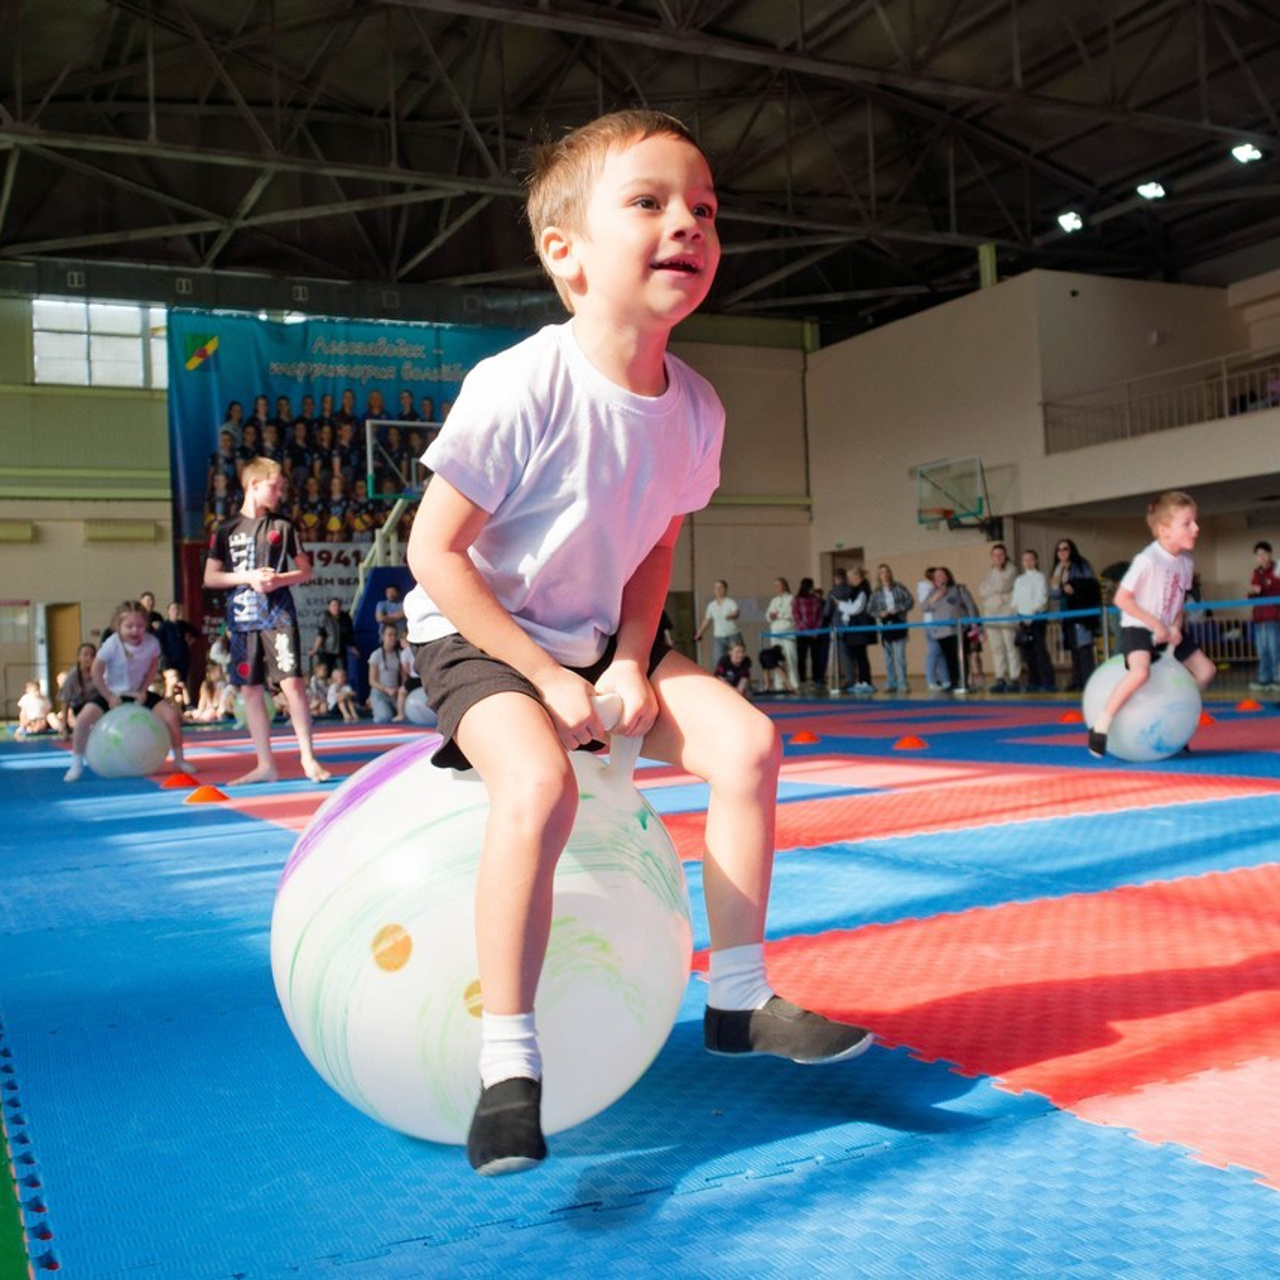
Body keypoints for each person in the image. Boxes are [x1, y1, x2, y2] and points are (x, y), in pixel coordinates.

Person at [403, 109, 870, 1177]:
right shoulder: (518, 385)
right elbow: (434, 556)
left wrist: (624, 657)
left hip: (597, 632)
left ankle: (739, 995)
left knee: (747, 744)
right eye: (650, 203)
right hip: (484, 634)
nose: (687, 225)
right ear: (563, 253)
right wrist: (537, 674)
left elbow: (654, 539)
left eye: (703, 210)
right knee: (539, 785)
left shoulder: (695, 407)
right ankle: (507, 1064)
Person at [203, 457, 332, 785]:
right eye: (274, 487)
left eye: (281, 488)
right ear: (253, 485)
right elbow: (211, 577)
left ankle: (308, 756)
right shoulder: (226, 530)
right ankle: (265, 764)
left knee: (293, 684)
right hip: (243, 619)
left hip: (278, 616)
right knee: (249, 690)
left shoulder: (282, 527)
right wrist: (247, 576)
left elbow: (306, 571)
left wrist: (277, 580)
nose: (279, 493)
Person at [1088, 492, 1216, 758]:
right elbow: (1122, 598)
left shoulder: (1185, 563)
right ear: (1164, 530)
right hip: (1138, 627)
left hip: (1169, 630)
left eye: (1196, 521)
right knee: (1140, 673)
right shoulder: (1148, 560)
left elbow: (1180, 600)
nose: (1196, 528)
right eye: (1187, 523)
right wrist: (1156, 625)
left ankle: (1180, 722)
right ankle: (1101, 727)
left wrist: (1176, 628)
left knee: (1206, 671)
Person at [63, 600, 191, 782]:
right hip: (112, 692)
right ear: (118, 626)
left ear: (146, 625)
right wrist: (108, 696)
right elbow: (96, 671)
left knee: (171, 717)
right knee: (83, 719)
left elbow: (153, 667)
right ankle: (76, 764)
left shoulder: (152, 643)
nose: (134, 631)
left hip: (137, 692)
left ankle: (179, 760)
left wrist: (143, 690)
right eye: (129, 626)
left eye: (139, 626)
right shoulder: (111, 644)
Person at [1050, 538, 1101, 692]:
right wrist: (1062, 589)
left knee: (1084, 646)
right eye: (1059, 549)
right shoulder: (1057, 570)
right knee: (1073, 648)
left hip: (1081, 612)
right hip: (1066, 614)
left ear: (1071, 550)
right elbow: (1053, 592)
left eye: (1065, 549)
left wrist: (1074, 586)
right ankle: (1077, 680)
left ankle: (1088, 681)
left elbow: (1091, 585)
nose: (1062, 552)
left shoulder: (1082, 565)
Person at [979, 543, 1020, 693]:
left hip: (1006, 611)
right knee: (996, 647)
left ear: (1005, 556)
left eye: (1000, 555)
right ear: (991, 557)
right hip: (990, 613)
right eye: (995, 555)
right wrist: (992, 589)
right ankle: (1000, 676)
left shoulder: (1012, 569)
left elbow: (1003, 585)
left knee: (1010, 645)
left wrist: (991, 589)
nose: (998, 557)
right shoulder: (988, 572)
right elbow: (981, 590)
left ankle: (1015, 677)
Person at [1012, 549, 1053, 692]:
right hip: (1022, 619)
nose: (1028, 562)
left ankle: (1047, 681)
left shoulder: (1040, 577)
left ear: (1036, 561)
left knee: (1040, 651)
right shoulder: (1019, 580)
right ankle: (1033, 681)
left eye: (1031, 559)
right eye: (1025, 560)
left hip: (1037, 618)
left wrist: (1031, 616)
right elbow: (1016, 599)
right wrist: (1018, 616)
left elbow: (1041, 598)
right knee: (1027, 653)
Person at [870, 563, 913, 692]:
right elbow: (870, 609)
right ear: (879, 575)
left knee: (900, 656)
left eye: (887, 571)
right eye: (882, 572)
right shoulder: (876, 592)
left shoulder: (899, 587)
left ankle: (903, 682)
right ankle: (891, 681)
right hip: (885, 625)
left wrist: (898, 609)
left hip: (899, 622)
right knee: (888, 656)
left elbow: (910, 601)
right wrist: (880, 613)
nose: (885, 574)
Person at [1247, 540, 1280, 692]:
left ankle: (1277, 679)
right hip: (1259, 617)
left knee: (1275, 649)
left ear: (1269, 554)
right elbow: (1252, 594)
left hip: (1274, 616)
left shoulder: (1277, 569)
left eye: (1263, 554)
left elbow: (1276, 588)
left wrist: (1264, 588)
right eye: (1258, 555)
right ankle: (1264, 679)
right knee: (1262, 650)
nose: (1261, 557)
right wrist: (1253, 592)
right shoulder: (1256, 572)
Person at [924, 567, 963, 691]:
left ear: (947, 576)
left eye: (942, 575)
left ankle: (959, 681)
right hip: (940, 630)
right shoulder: (932, 593)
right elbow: (924, 607)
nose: (940, 578)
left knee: (956, 656)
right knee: (945, 657)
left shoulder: (956, 589)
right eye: (937, 576)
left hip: (953, 629)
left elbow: (966, 605)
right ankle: (951, 681)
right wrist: (936, 597)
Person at [692, 578, 742, 667]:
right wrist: (699, 633)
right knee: (718, 661)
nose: (718, 590)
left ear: (725, 589)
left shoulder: (730, 602)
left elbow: (736, 612)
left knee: (736, 660)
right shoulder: (711, 605)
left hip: (733, 635)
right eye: (716, 588)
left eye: (721, 587)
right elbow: (706, 620)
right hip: (718, 637)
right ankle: (720, 680)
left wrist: (731, 616)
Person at [368, 623, 409, 723]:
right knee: (384, 718)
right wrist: (386, 689)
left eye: (395, 635)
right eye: (390, 635)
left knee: (407, 715)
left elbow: (404, 677)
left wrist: (400, 690)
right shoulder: (376, 655)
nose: (393, 638)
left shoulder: (400, 654)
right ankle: (375, 706)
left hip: (394, 693)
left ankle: (384, 707)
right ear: (383, 637)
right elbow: (372, 681)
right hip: (380, 692)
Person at [310, 597, 358, 681]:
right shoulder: (324, 617)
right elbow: (321, 634)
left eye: (338, 605)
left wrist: (353, 647)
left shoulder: (345, 617)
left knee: (341, 672)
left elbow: (349, 635)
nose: (336, 607)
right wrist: (315, 649)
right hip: (326, 650)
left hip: (340, 650)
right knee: (325, 671)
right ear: (329, 607)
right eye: (333, 605)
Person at [765, 577, 800, 691]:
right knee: (776, 658)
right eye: (775, 586)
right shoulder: (774, 600)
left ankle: (794, 683)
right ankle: (779, 683)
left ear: (785, 586)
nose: (777, 588)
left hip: (788, 630)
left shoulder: (792, 598)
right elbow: (768, 614)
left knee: (790, 656)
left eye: (779, 585)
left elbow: (792, 613)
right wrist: (771, 616)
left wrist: (778, 615)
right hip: (775, 631)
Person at [57, 642, 97, 738]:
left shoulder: (99, 672)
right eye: (85, 655)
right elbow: (65, 702)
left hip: (97, 704)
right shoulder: (72, 676)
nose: (89, 658)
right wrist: (64, 727)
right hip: (79, 706)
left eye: (92, 655)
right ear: (79, 657)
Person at [157, 601, 200, 693]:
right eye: (173, 609)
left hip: (183, 658)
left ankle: (183, 703)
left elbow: (196, 633)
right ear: (168, 611)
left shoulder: (183, 624)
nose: (175, 611)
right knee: (171, 682)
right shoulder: (164, 626)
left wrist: (188, 643)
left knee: (182, 682)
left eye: (177, 609)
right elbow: (157, 640)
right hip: (169, 659)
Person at [791, 577, 824, 689]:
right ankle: (803, 680)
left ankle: (816, 679)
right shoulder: (797, 600)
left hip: (815, 633)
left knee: (816, 657)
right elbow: (797, 617)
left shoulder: (816, 600)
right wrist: (806, 631)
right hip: (802, 633)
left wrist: (816, 630)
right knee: (802, 657)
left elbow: (820, 616)